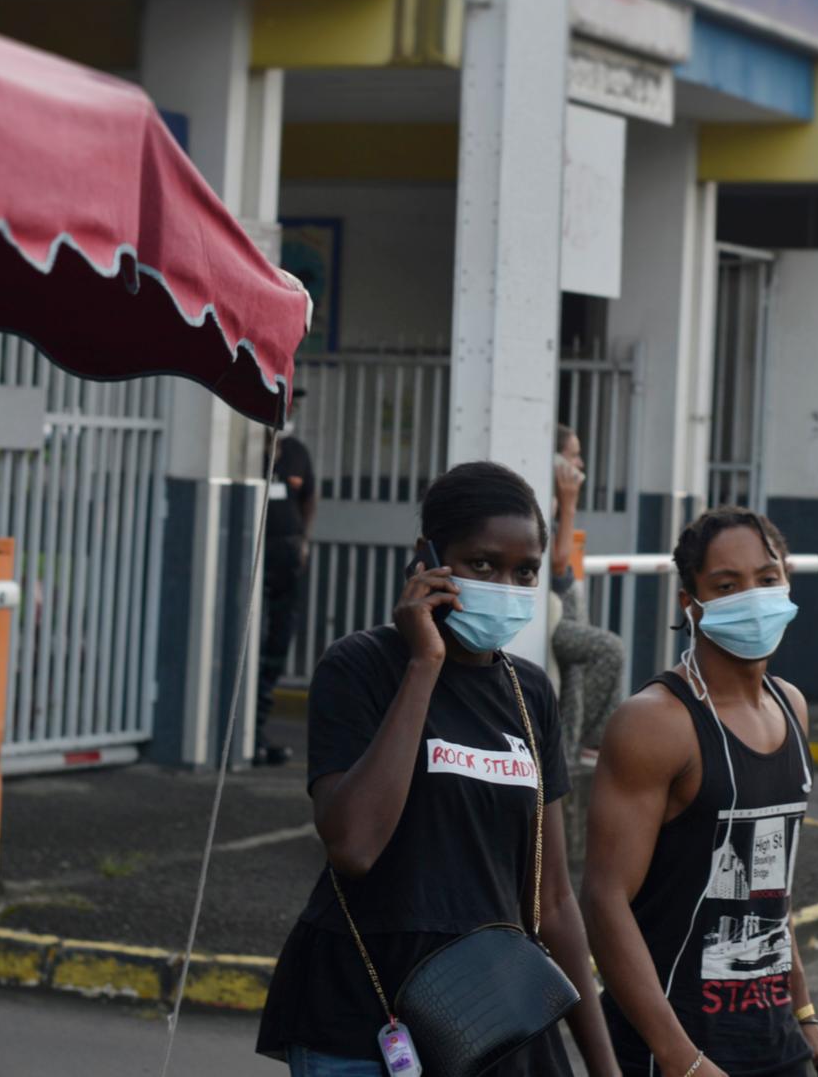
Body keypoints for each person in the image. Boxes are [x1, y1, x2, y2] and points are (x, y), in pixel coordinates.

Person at [256, 460, 617, 1077]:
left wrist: (604, 1066)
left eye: (524, 570)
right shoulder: (360, 668)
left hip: (488, 1017)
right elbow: (353, 844)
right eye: (482, 564)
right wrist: (425, 662)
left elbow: (552, 899)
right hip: (360, 1021)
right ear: (426, 558)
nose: (505, 583)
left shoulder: (530, 695)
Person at [582, 507, 818, 1077]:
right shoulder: (656, 723)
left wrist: (806, 1014)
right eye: (727, 585)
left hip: (776, 1046)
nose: (752, 596)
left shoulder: (791, 706)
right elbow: (603, 901)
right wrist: (680, 1059)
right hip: (671, 1052)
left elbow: (771, 892)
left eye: (766, 578)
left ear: (787, 579)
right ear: (690, 604)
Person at [551, 423, 627, 763]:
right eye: (573, 456)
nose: (580, 465)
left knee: (576, 683)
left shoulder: (553, 505)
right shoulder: (544, 505)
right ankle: (592, 741)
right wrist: (568, 504)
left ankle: (573, 750)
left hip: (565, 615)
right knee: (608, 649)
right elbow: (556, 564)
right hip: (550, 622)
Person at [256, 388, 315, 767]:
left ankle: (258, 727)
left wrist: (304, 541)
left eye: (291, 403)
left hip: (286, 558)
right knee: (250, 643)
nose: (288, 409)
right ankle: (246, 733)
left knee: (278, 641)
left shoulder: (296, 450)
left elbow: (309, 497)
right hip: (256, 557)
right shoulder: (249, 445)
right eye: (283, 402)